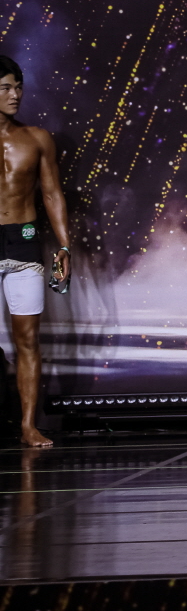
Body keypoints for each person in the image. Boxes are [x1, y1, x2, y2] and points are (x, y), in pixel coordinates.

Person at [0, 55, 70, 448]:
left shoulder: (37, 138)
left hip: (23, 240)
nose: (16, 95)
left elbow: (52, 194)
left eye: (18, 87)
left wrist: (64, 245)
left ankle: (28, 426)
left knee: (27, 338)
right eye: (6, 88)